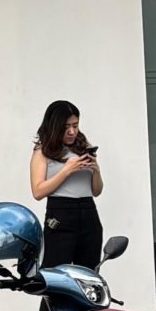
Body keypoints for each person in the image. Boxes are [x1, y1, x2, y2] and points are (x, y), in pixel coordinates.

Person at [28, 100, 104, 267]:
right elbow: (38, 192)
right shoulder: (43, 151)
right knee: (55, 274)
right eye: (66, 127)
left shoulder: (83, 147)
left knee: (88, 274)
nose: (72, 132)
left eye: (75, 125)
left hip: (89, 212)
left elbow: (96, 191)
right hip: (60, 213)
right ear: (54, 127)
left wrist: (96, 171)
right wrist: (66, 171)